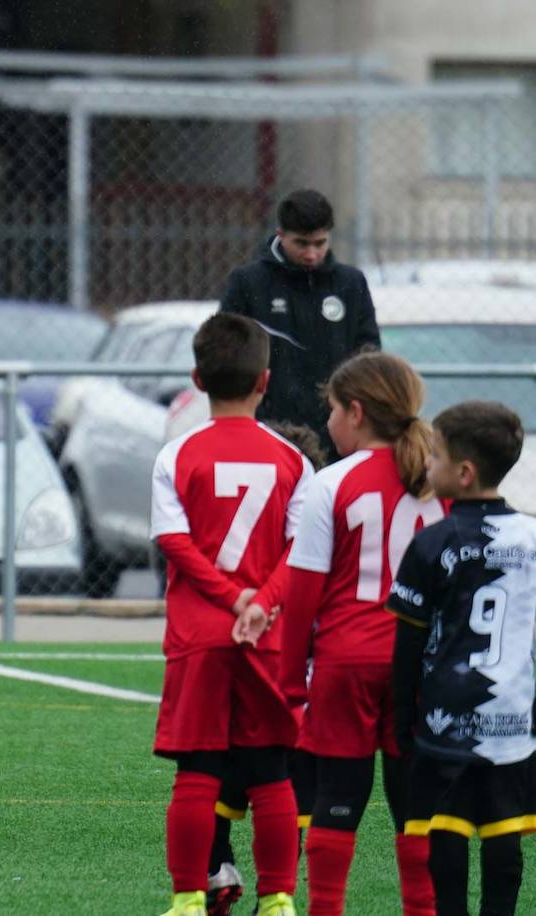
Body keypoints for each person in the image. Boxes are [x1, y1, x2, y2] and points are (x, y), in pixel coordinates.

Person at [150, 313, 312, 916]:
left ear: (197, 378)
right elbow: (303, 551)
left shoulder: (177, 455)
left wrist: (230, 598)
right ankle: (277, 901)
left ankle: (190, 896)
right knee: (272, 770)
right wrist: (262, 602)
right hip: (267, 636)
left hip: (201, 633)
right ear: (265, 381)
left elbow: (174, 542)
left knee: (197, 769)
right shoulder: (293, 459)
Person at [277, 351, 446, 916]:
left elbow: (301, 597)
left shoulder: (332, 484)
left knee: (337, 800)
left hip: (346, 664)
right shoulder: (438, 482)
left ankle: (326, 909)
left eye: (330, 410)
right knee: (416, 808)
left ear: (355, 411)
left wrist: (288, 680)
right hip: (419, 669)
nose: (326, 422)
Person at [390, 401, 536, 916]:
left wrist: (402, 718)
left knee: (444, 827)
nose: (427, 465)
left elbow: (407, 645)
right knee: (503, 832)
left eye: (434, 456)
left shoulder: (432, 542)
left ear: (464, 472)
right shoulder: (533, 539)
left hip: (443, 718)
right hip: (514, 718)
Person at [202, 419, 326, 916]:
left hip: (249, 668)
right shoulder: (319, 535)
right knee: (288, 792)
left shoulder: (261, 559)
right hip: (308, 692)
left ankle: (217, 868)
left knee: (211, 772)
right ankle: (278, 897)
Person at [219, 189, 380, 460]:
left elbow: (370, 354)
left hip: (335, 437)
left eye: (320, 243)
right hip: (270, 432)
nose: (311, 253)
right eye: (302, 243)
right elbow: (227, 353)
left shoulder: (350, 284)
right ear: (281, 235)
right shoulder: (249, 283)